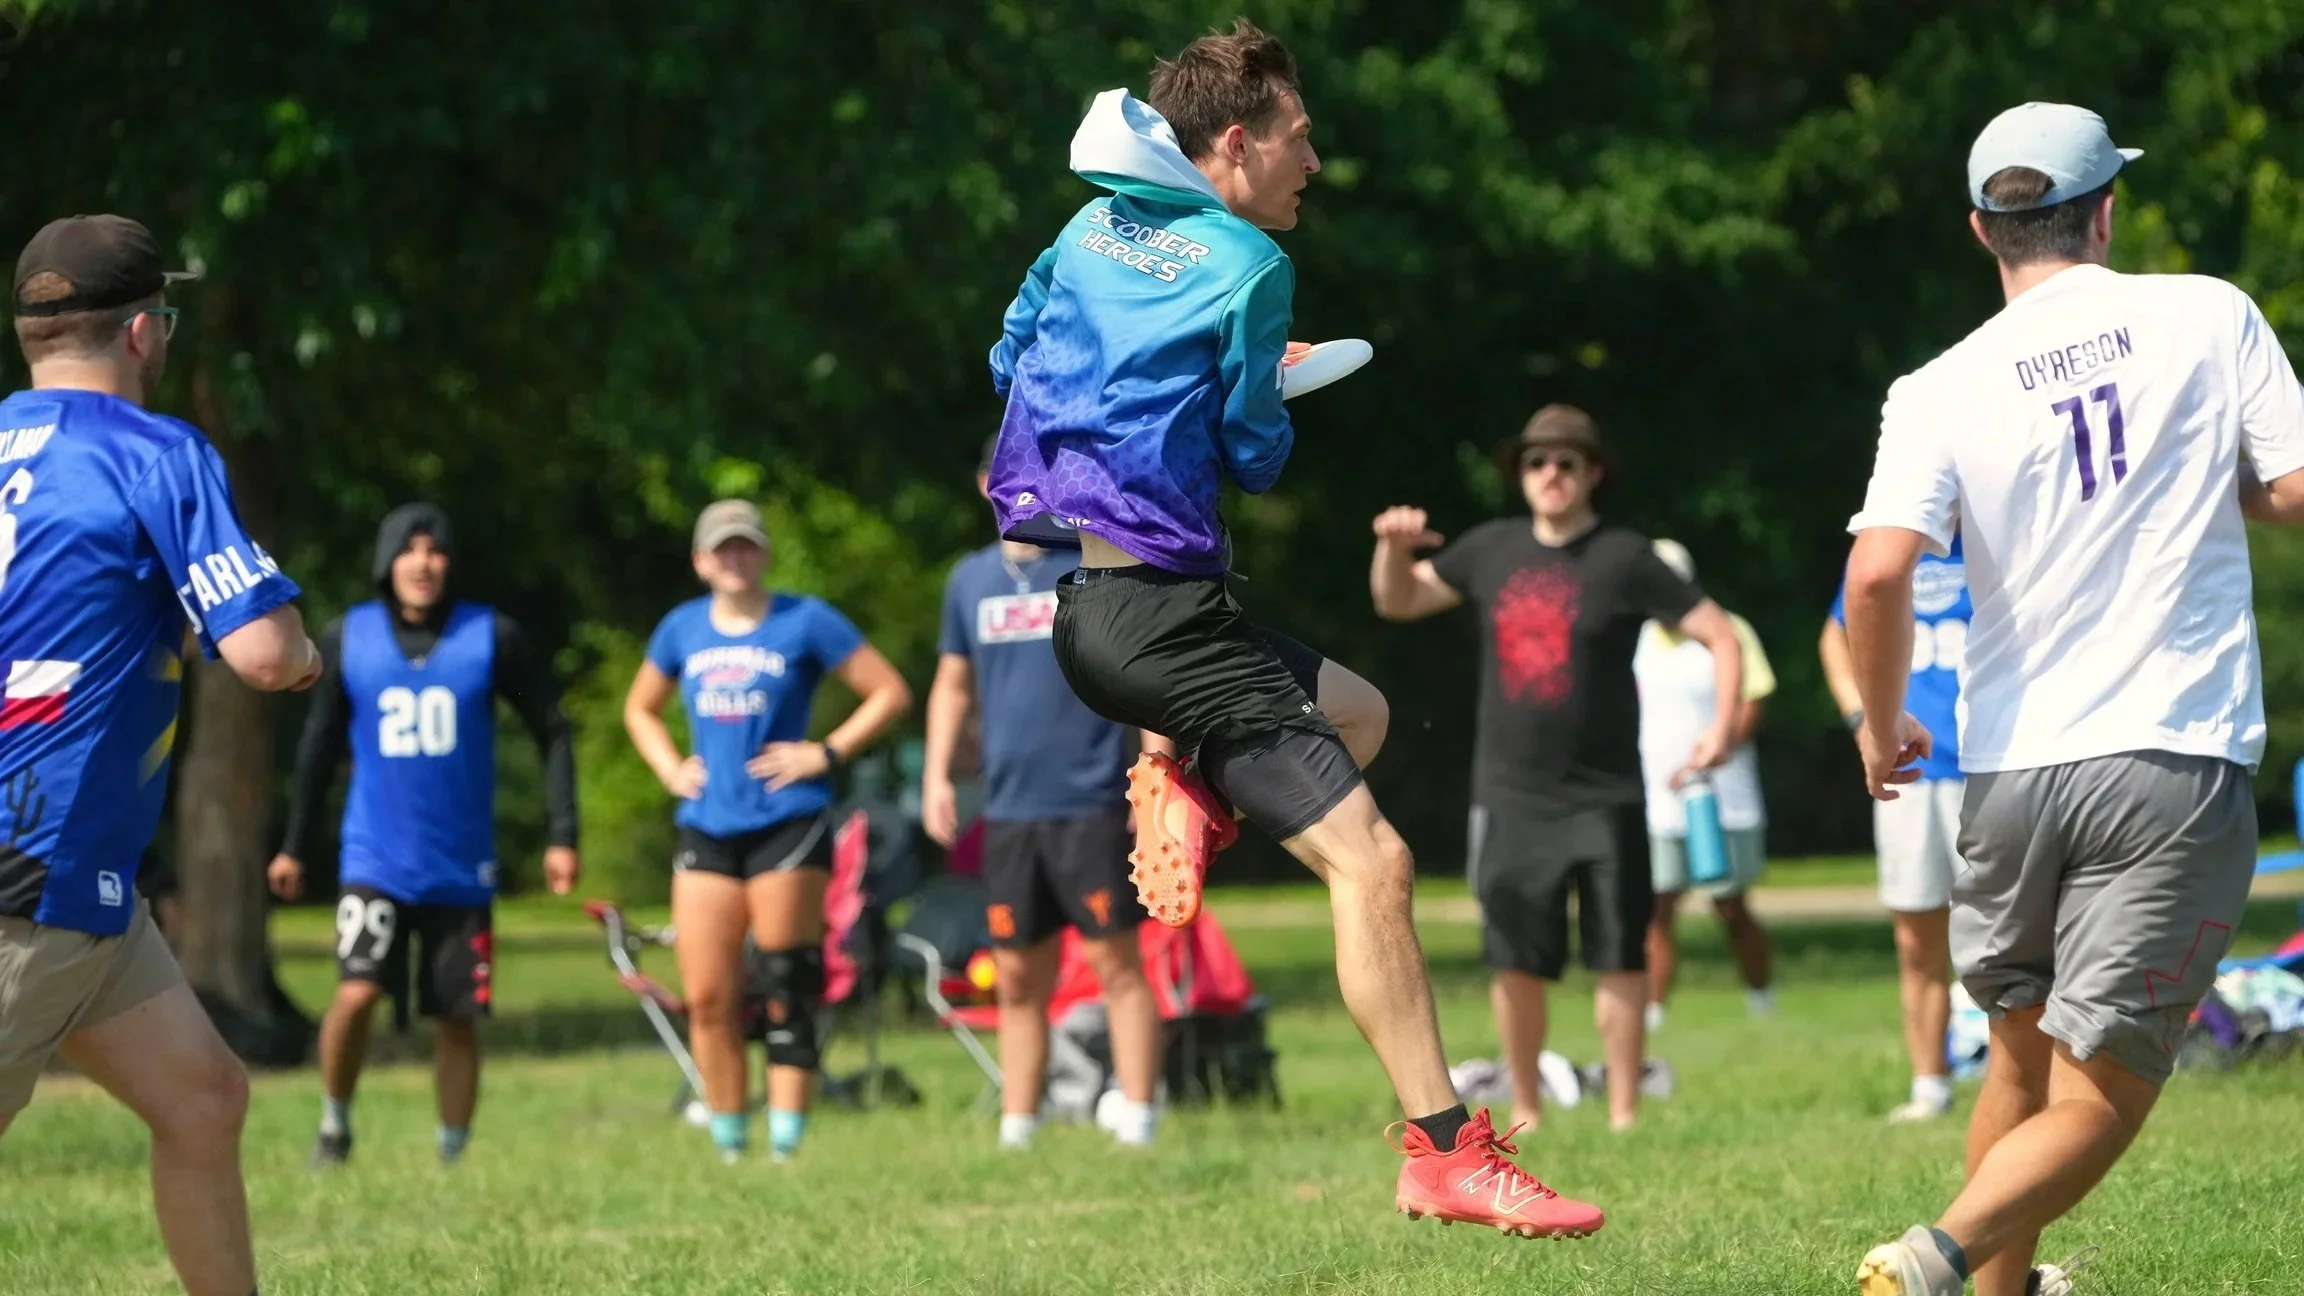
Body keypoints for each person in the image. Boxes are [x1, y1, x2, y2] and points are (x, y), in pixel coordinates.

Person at [983, 20, 1602, 1236]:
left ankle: (1191, 780)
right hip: (1162, 624)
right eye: (1300, 139)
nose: (1313, 163)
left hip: (1099, 609)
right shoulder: (1249, 266)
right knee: (1373, 864)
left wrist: (1190, 375)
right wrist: (1269, 379)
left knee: (1359, 714)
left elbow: (1018, 351)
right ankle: (1442, 1149)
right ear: (1236, 140)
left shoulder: (1090, 222)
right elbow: (1255, 459)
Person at [1847, 103, 2304, 1296]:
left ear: (1981, 232)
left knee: (2019, 1055)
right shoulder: (2209, 313)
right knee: (2101, 1094)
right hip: (2171, 757)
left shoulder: (1935, 383)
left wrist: (1880, 717)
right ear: (2108, 211)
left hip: (2006, 772)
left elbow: (1880, 569)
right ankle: (1935, 1261)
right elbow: (2295, 488)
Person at [0, 213, 322, 1296]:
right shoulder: (155, 451)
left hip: (77, 878)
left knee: (202, 1099)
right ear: (145, 331)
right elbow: (266, 654)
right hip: (29, 866)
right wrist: (308, 650)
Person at [1371, 406, 1744, 1135]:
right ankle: (1529, 1110)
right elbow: (1399, 599)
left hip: (1606, 797)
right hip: (1511, 795)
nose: (1551, 474)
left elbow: (1719, 633)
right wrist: (1393, 547)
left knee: (1621, 957)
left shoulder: (1628, 557)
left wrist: (1721, 729)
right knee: (1516, 962)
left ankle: (1626, 1113)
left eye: (1567, 462)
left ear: (1592, 474)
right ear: (1522, 473)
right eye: (1538, 461)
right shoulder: (1490, 549)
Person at [266, 503, 582, 1168]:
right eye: (409, 550)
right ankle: (334, 1122)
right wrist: (295, 843)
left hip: (461, 863)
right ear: (388, 561)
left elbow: (552, 729)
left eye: (436, 550)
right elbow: (319, 750)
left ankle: (453, 1153)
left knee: (456, 1014)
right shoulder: (349, 637)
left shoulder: (491, 636)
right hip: (374, 854)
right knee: (355, 994)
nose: (423, 563)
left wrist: (562, 833)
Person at [624, 498, 911, 1164]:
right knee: (709, 992)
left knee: (787, 977)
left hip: (788, 821)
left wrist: (827, 752)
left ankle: (788, 1139)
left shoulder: (804, 620)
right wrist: (670, 767)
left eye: (746, 545)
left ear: (764, 554)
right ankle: (728, 1136)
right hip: (708, 825)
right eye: (722, 548)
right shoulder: (681, 629)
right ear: (700, 561)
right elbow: (640, 709)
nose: (735, 558)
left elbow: (889, 692)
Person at [922, 434, 1170, 1150]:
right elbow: (951, 683)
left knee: (1114, 966)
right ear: (983, 484)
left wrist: (1153, 774)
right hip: (1009, 810)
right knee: (1017, 976)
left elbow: (1145, 672)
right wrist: (938, 774)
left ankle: (1140, 1118)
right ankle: (1018, 1127)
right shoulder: (969, 579)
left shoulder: (1090, 563)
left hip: (1089, 799)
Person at [1820, 533, 1972, 1124]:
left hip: (1994, 762)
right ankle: (1930, 1083)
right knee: (1917, 937)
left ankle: (2041, 1080)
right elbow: (1836, 632)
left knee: (2017, 937)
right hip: (1911, 771)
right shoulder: (1898, 537)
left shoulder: (2000, 525)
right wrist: (1862, 715)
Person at [1634, 538, 1777, 1033]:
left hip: (1724, 797)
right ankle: (1654, 1013)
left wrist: (1717, 748)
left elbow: (1753, 698)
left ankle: (1762, 999)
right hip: (1656, 799)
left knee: (1731, 905)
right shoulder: (1637, 638)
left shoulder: (1728, 628)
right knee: (1656, 909)